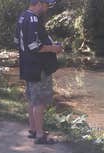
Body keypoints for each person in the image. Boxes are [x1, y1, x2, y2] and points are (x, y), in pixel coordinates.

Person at [14, 0, 63, 144]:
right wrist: (53, 48)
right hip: (38, 67)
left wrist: (48, 44)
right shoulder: (33, 19)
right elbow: (33, 45)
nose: (47, 8)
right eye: (47, 4)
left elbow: (17, 40)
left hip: (28, 66)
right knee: (40, 101)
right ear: (39, 3)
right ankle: (40, 135)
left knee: (32, 100)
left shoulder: (22, 17)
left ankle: (33, 129)